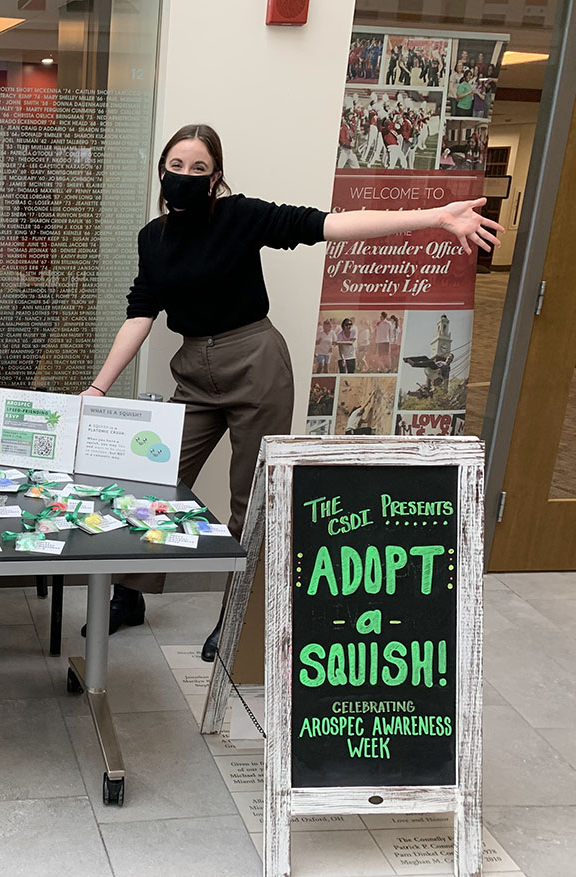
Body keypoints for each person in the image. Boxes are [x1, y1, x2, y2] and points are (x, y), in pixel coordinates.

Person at [81, 122, 502, 657]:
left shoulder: (239, 216)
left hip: (255, 363)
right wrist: (98, 387)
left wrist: (435, 218)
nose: (184, 177)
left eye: (199, 169)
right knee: (153, 482)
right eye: (176, 166)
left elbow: (331, 225)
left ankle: (234, 619)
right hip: (194, 370)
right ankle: (130, 596)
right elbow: (141, 312)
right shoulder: (153, 238)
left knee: (249, 499)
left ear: (215, 179)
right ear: (162, 170)